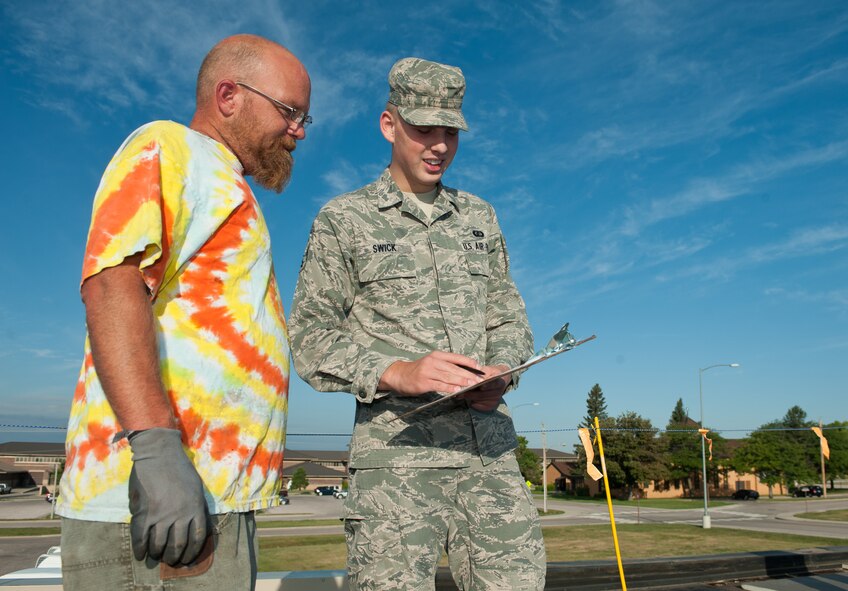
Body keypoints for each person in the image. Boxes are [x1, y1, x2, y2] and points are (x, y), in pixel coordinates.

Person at [56, 34, 311, 590]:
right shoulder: (170, 147)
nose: (298, 131)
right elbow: (111, 284)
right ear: (228, 95)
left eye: (304, 120)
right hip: (157, 507)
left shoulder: (225, 184)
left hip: (209, 501)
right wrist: (156, 451)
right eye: (291, 113)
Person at [289, 58, 546, 590]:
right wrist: (399, 372)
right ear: (390, 124)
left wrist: (504, 369)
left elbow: (507, 314)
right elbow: (311, 339)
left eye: (450, 131)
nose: (439, 145)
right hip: (397, 464)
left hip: (489, 457)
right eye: (424, 128)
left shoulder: (480, 217)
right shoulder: (345, 220)